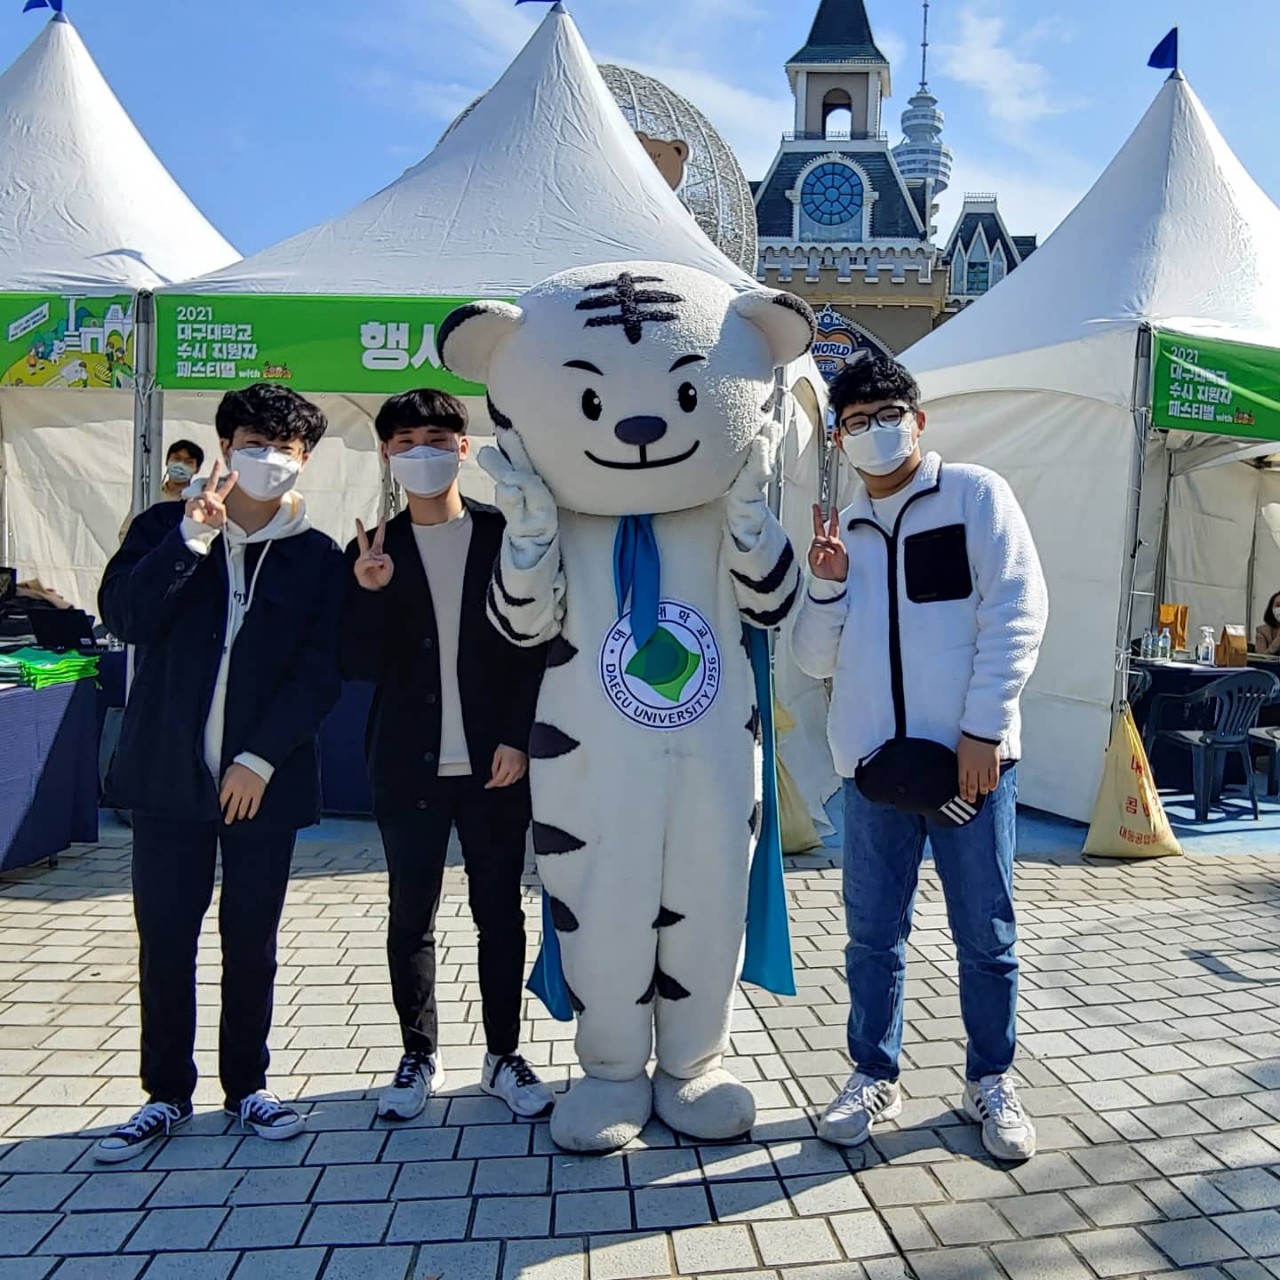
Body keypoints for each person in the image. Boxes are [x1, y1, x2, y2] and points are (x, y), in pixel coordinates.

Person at [791, 356, 1048, 1162]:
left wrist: (984, 729)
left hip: (969, 763)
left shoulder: (974, 496)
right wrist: (827, 585)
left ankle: (991, 1077)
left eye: (886, 415)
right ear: (840, 438)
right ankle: (874, 1073)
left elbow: (1017, 611)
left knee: (986, 932)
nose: (873, 431)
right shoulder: (842, 531)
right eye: (856, 421)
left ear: (918, 420)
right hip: (873, 772)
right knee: (872, 935)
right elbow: (812, 658)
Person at [95, 384, 345, 1162]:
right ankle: (165, 1092)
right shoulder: (161, 527)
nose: (267, 459)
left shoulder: (316, 555)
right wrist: (191, 539)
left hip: (262, 783)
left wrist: (259, 759)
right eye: (252, 443)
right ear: (225, 448)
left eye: (285, 449)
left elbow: (319, 671)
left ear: (305, 460)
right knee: (166, 939)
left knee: (252, 938)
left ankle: (248, 1086)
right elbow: (126, 618)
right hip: (167, 776)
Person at [341, 389, 553, 1122]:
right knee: (411, 914)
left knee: (500, 912)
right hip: (408, 763)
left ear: (464, 448)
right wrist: (368, 593)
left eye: (436, 439)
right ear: (386, 454)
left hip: (495, 763)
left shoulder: (503, 535)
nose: (421, 454)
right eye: (404, 442)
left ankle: (503, 1054)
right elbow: (355, 664)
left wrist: (518, 736)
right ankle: (418, 1054)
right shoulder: (373, 549)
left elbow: (535, 644)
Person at [119, 440, 206, 543]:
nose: (180, 465)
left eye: (188, 462)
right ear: (167, 461)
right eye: (177, 459)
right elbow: (126, 532)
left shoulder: (196, 500)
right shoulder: (148, 494)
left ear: (197, 469)